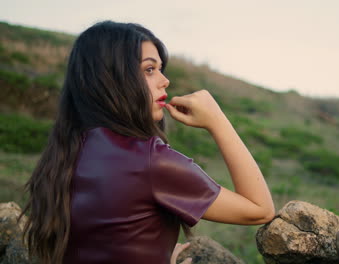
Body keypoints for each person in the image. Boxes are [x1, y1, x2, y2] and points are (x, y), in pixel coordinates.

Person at [20, 21, 275, 264]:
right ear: (114, 79)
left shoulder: (65, 154)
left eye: (160, 69)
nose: (165, 80)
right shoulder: (148, 160)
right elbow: (259, 209)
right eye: (149, 69)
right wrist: (218, 120)